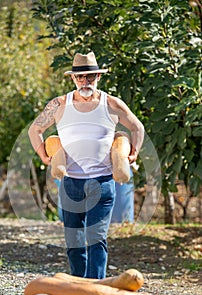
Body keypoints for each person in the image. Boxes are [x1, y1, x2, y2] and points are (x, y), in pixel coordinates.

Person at [28, 51, 144, 279]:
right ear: (73, 79)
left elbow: (137, 127)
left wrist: (134, 154)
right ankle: (78, 286)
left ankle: (96, 289)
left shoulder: (111, 103)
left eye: (90, 77)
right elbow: (35, 130)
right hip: (71, 182)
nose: (85, 82)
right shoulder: (59, 104)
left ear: (98, 77)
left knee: (96, 238)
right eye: (80, 77)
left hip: (102, 182)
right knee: (74, 241)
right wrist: (43, 155)